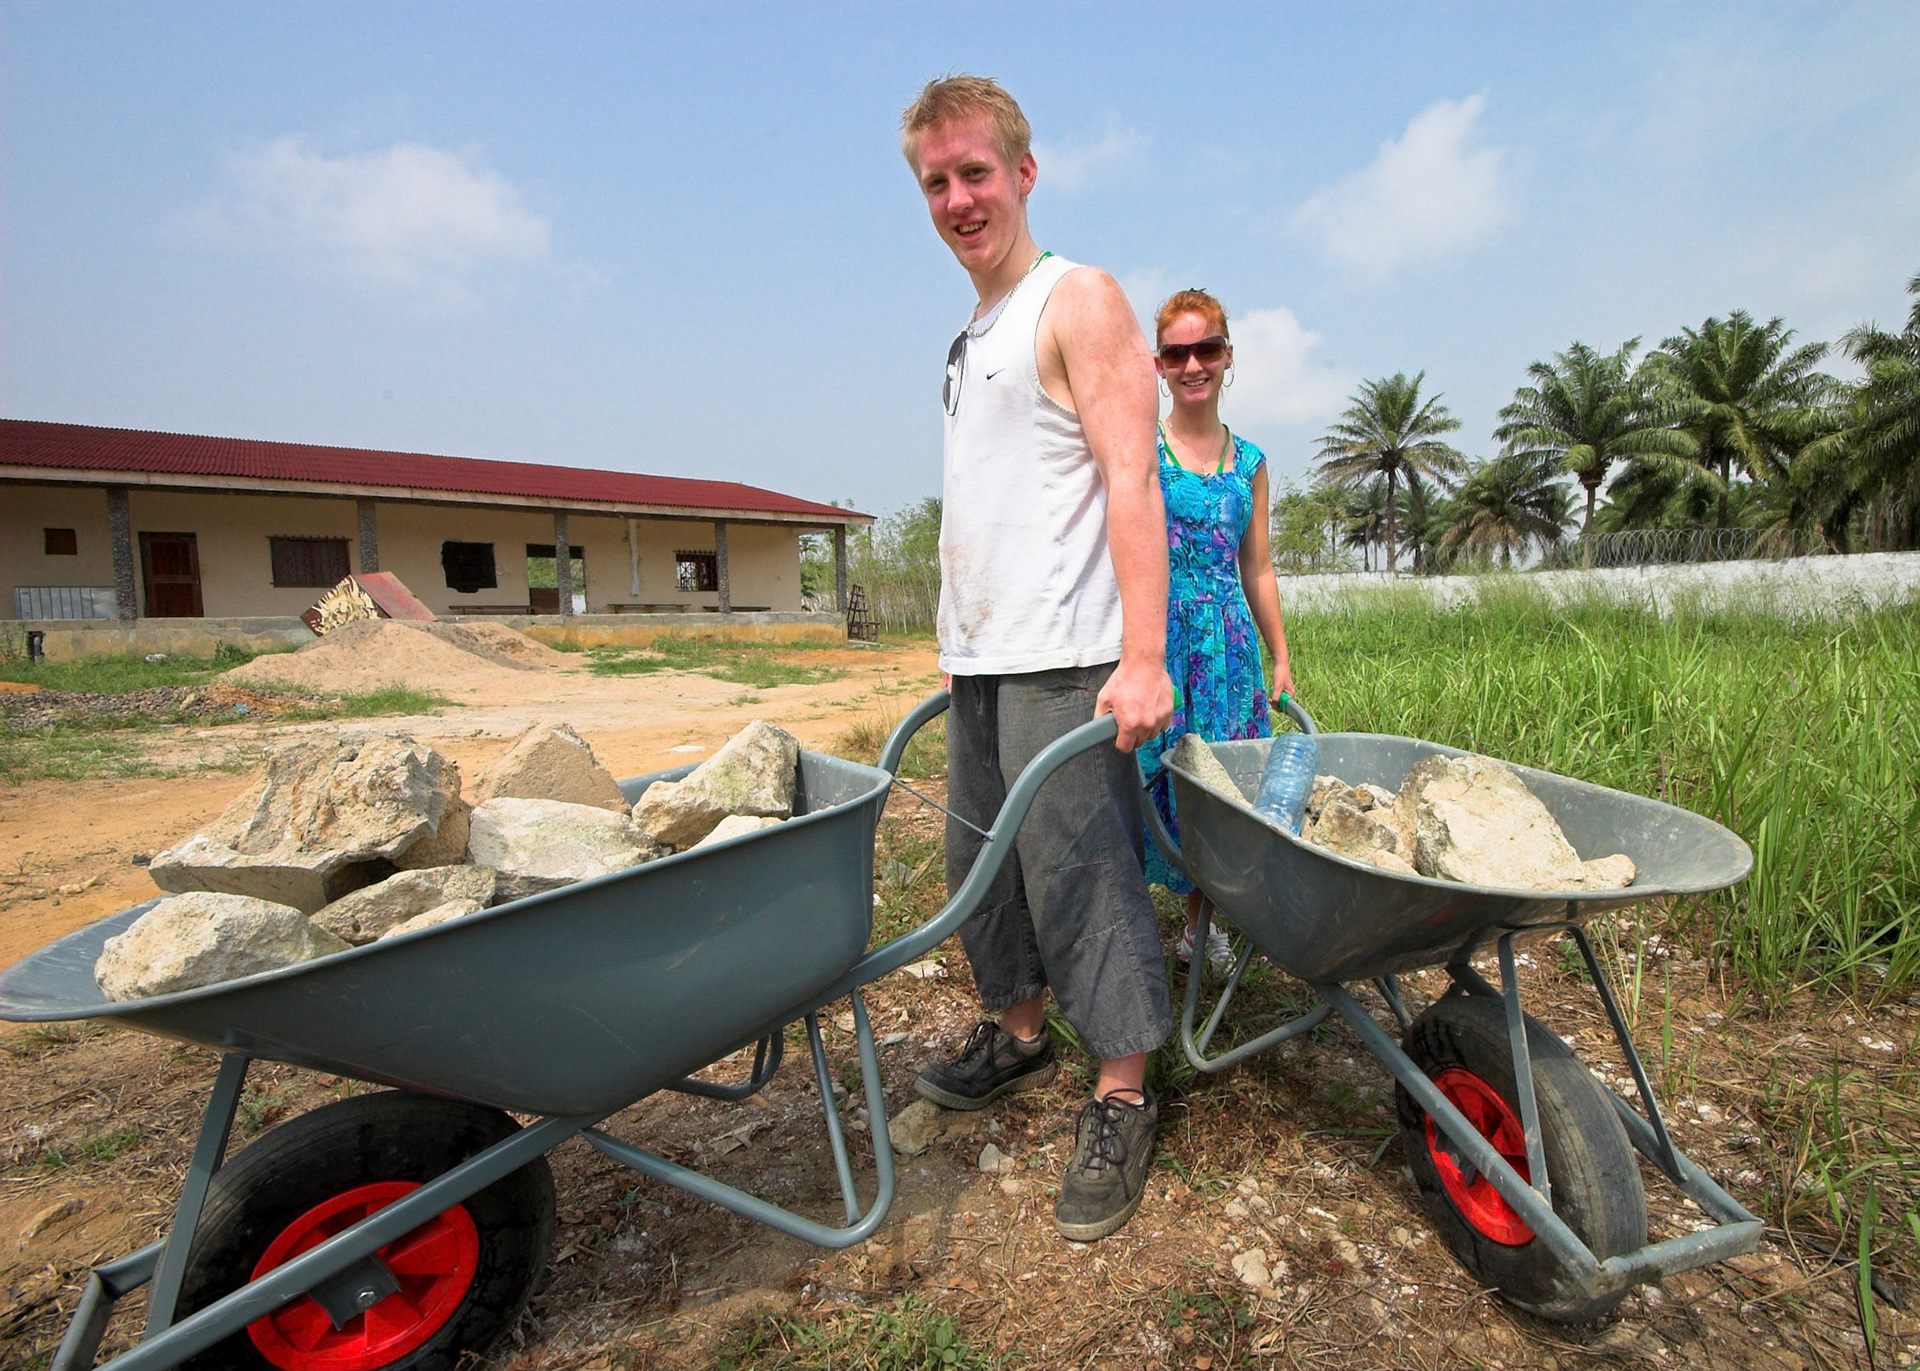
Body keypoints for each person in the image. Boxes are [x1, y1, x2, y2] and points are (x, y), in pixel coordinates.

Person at [900, 74, 1176, 1242]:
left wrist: (1146, 653)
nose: (959, 198)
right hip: (982, 656)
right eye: (936, 182)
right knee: (983, 872)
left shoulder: (1079, 297)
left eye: (975, 172)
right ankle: (1017, 1036)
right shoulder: (971, 334)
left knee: (1080, 877)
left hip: (1067, 652)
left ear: (1023, 169)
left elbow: (1132, 472)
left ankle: (1122, 1092)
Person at [1136, 290, 1296, 974]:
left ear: (1227, 356)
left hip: (1229, 650)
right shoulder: (1142, 448)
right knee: (1154, 781)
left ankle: (1206, 927)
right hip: (1162, 640)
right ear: (1159, 364)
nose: (1193, 364)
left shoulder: (1252, 461)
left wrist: (1279, 654)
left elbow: (1256, 565)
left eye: (1206, 349)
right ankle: (1135, 931)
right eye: (1178, 353)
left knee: (1224, 784)